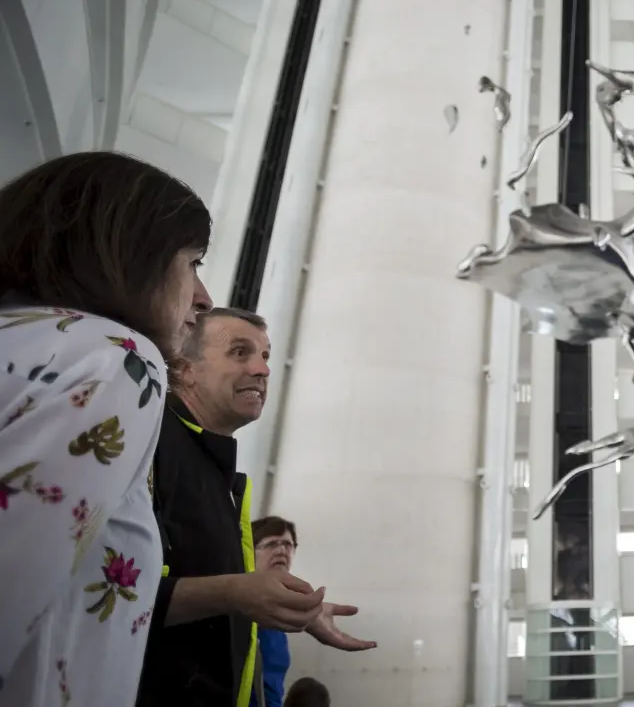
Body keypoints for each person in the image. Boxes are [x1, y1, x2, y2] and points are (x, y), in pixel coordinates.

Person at [0, 152, 212, 706]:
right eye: (193, 263)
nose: (204, 298)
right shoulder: (117, 356)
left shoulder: (20, 335)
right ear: (131, 252)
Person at [137, 308, 375, 707]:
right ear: (185, 369)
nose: (262, 369)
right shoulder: (151, 445)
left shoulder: (219, 474)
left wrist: (290, 607)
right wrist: (235, 593)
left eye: (265, 356)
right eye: (239, 352)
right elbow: (106, 593)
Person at [249, 516, 301, 707]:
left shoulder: (279, 619)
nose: (281, 550)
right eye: (271, 544)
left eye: (288, 544)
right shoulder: (231, 605)